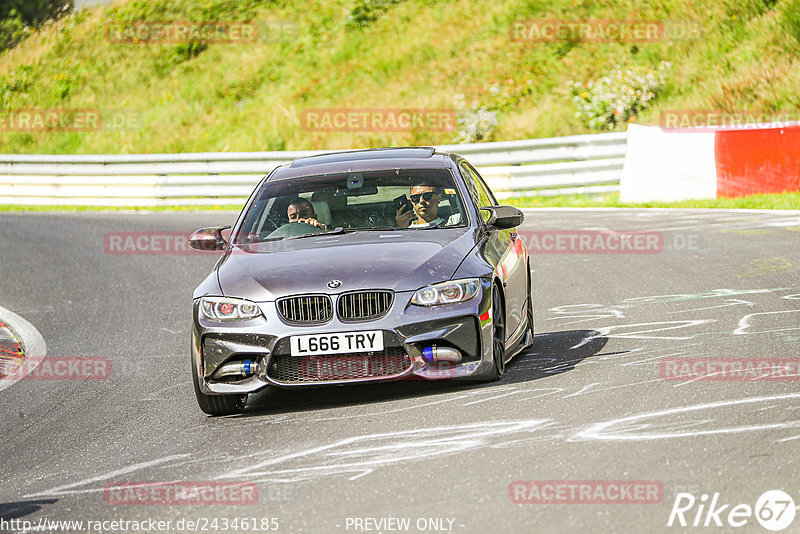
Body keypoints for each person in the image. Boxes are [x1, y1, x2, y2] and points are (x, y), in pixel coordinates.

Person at [395, 184, 461, 228]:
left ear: (439, 197)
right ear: (411, 201)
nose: (421, 201)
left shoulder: (453, 222)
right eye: (415, 197)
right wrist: (401, 229)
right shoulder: (407, 229)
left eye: (427, 196)